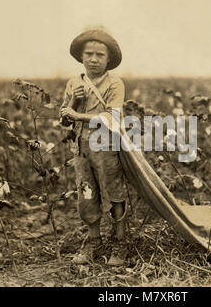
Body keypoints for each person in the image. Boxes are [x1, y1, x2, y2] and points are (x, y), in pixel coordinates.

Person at [60, 28, 128, 266]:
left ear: (109, 59)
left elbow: (113, 118)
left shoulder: (114, 84)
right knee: (86, 194)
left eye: (100, 55)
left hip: (106, 146)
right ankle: (94, 242)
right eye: (89, 53)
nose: (93, 59)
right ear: (81, 56)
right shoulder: (74, 83)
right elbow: (64, 118)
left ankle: (120, 243)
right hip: (81, 147)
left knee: (114, 193)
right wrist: (73, 101)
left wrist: (77, 114)